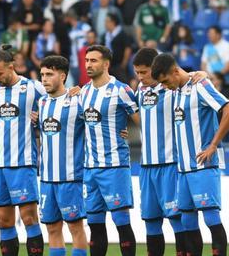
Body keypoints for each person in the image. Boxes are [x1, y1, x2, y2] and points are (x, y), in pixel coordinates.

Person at [151, 53, 229, 256]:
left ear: (175, 71)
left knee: (210, 218)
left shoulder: (200, 86)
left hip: (203, 165)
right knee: (187, 220)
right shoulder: (174, 90)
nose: (164, 86)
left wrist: (213, 145)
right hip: (183, 169)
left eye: (165, 81)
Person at [0, 46, 46, 256]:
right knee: (4, 221)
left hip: (23, 163)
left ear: (12, 66)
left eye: (0, 73)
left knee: (29, 219)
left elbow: (57, 106)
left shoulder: (34, 88)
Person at [79, 45, 139, 256]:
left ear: (106, 64)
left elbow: (143, 121)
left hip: (115, 165)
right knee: (95, 225)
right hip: (90, 168)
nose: (88, 64)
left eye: (93, 60)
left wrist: (129, 135)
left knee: (121, 221)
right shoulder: (83, 92)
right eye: (87, 60)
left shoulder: (121, 90)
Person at [130, 48, 188, 256]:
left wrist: (203, 74)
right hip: (146, 166)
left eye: (144, 72)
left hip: (170, 164)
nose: (140, 77)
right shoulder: (141, 90)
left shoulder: (173, 89)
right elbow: (136, 113)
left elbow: (188, 78)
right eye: (137, 72)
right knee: (151, 221)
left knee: (176, 218)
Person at [37, 55, 89, 256]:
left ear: (63, 76)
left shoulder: (78, 100)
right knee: (52, 228)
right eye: (42, 74)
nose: (44, 79)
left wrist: (121, 131)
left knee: (75, 228)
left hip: (70, 177)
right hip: (47, 178)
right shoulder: (41, 103)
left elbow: (98, 123)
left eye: (49, 74)